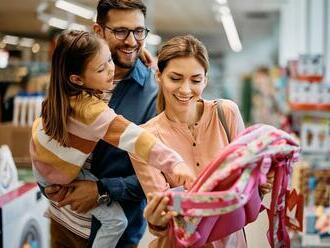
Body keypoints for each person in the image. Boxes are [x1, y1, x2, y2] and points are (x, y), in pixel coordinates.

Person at [31, 30, 194, 248]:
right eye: (101, 68)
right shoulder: (93, 112)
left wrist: (144, 59)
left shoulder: (60, 94)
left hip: (46, 165)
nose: (111, 69)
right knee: (116, 222)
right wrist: (175, 163)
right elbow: (139, 140)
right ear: (77, 79)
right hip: (59, 178)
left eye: (109, 59)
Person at [130, 35, 274, 247]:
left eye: (195, 80)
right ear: (159, 76)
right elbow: (163, 215)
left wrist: (262, 181)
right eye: (175, 78)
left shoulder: (227, 114)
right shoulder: (145, 139)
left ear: (205, 80)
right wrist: (157, 219)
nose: (186, 89)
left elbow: (248, 187)